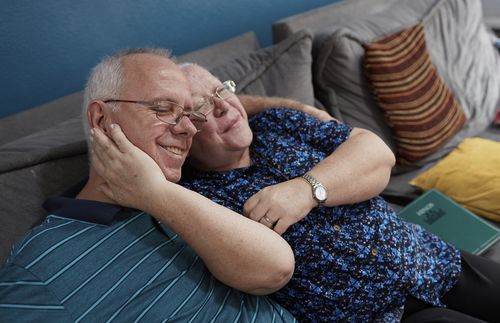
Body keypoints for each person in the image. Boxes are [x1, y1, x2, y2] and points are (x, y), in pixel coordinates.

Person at [169, 64, 499, 322]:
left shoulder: (276, 122)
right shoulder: (199, 200)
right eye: (201, 108)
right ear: (183, 134)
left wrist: (306, 190)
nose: (224, 108)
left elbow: (377, 154)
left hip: (431, 261)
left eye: (221, 91)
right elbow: (263, 272)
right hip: (380, 316)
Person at [0, 48, 310, 321]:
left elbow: (275, 267)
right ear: (101, 120)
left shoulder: (192, 189)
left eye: (190, 114)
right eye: (164, 109)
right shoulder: (40, 269)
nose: (189, 128)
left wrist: (154, 194)